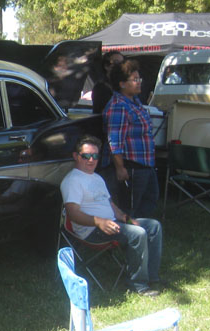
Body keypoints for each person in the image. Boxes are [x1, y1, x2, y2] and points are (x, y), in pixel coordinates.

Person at [61, 135, 163, 297]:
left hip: (112, 223)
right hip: (91, 230)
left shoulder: (97, 178)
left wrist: (129, 220)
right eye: (86, 156)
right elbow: (73, 214)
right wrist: (99, 222)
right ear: (76, 156)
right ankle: (138, 284)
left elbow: (112, 206)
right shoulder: (72, 180)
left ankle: (152, 277)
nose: (91, 160)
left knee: (153, 226)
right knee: (138, 233)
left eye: (95, 156)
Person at [103, 59, 159, 218]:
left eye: (139, 79)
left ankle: (143, 234)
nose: (139, 83)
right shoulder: (118, 106)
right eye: (134, 80)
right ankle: (128, 238)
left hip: (145, 164)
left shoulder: (135, 103)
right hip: (131, 167)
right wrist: (120, 168)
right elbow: (115, 140)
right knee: (130, 207)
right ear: (121, 84)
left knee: (149, 202)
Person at [91, 50, 124, 115]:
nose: (121, 66)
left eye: (123, 63)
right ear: (106, 66)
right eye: (116, 63)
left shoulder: (122, 85)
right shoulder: (101, 87)